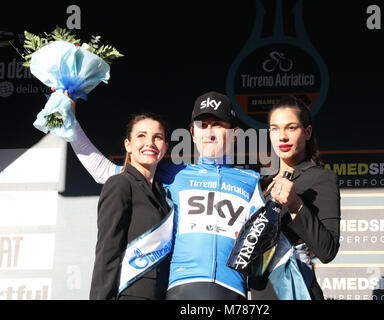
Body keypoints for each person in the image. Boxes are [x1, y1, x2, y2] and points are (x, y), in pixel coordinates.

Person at [68, 91, 265, 300]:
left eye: (217, 124)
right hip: (181, 288)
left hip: (233, 290)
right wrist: (70, 123)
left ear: (234, 133)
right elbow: (104, 171)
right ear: (192, 133)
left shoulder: (252, 181)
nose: (209, 133)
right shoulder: (172, 175)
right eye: (203, 125)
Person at [249, 95, 341, 300]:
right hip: (258, 293)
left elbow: (327, 250)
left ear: (307, 132)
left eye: (291, 128)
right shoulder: (260, 183)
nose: (282, 136)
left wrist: (295, 204)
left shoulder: (321, 178)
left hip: (296, 290)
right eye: (275, 128)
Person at [90, 113, 172, 300]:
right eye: (141, 136)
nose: (150, 143)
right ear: (128, 145)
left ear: (165, 148)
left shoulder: (164, 195)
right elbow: (107, 250)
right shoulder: (120, 184)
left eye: (157, 137)